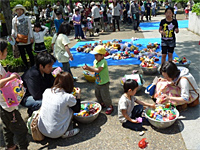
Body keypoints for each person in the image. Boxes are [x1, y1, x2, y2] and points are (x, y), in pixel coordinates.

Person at [0, 39, 29, 150]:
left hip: (3, 103)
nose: (7, 53)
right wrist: (12, 77)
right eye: (6, 51)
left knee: (7, 127)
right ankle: (23, 148)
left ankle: (10, 146)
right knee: (21, 129)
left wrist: (8, 76)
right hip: (7, 105)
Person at [38, 72, 81, 138]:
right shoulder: (67, 97)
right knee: (71, 109)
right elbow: (77, 109)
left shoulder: (47, 91)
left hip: (42, 129)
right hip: (56, 133)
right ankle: (65, 132)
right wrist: (78, 96)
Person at [21, 52, 56, 117]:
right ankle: (33, 112)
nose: (51, 68)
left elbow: (53, 82)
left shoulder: (45, 71)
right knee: (45, 103)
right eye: (49, 66)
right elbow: (36, 95)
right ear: (41, 66)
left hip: (38, 93)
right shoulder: (32, 75)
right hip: (26, 97)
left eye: (52, 65)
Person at [82, 46, 113, 115]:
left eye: (97, 55)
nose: (95, 56)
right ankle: (102, 103)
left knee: (105, 95)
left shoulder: (103, 62)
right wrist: (90, 71)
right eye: (94, 55)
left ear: (102, 55)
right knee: (97, 94)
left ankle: (110, 106)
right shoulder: (95, 61)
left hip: (104, 82)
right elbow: (94, 68)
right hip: (97, 81)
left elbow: (98, 70)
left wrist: (89, 69)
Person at [11, 4, 35, 70]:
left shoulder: (27, 18)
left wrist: (31, 37)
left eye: (20, 9)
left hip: (27, 38)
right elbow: (13, 28)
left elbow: (30, 28)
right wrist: (12, 34)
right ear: (15, 11)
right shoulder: (14, 19)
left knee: (29, 52)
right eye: (17, 10)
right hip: (19, 39)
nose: (19, 11)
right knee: (22, 54)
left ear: (22, 10)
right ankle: (26, 67)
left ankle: (33, 65)